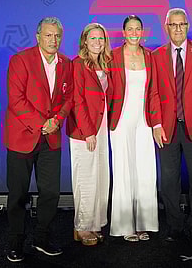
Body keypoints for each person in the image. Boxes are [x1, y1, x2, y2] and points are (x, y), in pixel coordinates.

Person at [4, 17, 73, 262]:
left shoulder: (66, 63)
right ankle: (15, 242)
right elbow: (16, 99)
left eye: (57, 36)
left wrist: (57, 120)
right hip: (22, 137)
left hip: (51, 138)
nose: (53, 40)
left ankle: (42, 239)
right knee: (18, 195)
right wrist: (41, 123)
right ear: (37, 37)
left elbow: (69, 98)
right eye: (48, 35)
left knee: (51, 193)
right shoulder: (20, 60)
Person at [151, 8, 192, 244]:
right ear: (166, 27)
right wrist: (156, 123)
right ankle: (175, 226)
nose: (178, 29)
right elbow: (154, 93)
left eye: (182, 24)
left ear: (188, 26)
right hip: (167, 127)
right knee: (169, 180)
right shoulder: (156, 55)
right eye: (173, 25)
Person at [108, 15, 160, 242]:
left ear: (142, 31)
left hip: (144, 120)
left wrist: (156, 122)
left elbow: (155, 92)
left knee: (145, 170)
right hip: (120, 120)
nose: (134, 32)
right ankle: (125, 225)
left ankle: (143, 224)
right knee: (123, 170)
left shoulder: (150, 56)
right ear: (123, 32)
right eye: (130, 28)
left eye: (138, 28)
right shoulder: (113, 56)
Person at [66, 23, 111, 246]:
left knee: (100, 177)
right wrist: (88, 132)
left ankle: (95, 223)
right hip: (85, 131)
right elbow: (77, 101)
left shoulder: (104, 63)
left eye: (101, 38)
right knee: (85, 178)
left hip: (102, 127)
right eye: (92, 38)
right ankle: (81, 227)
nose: (97, 42)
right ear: (84, 40)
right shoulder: (78, 65)